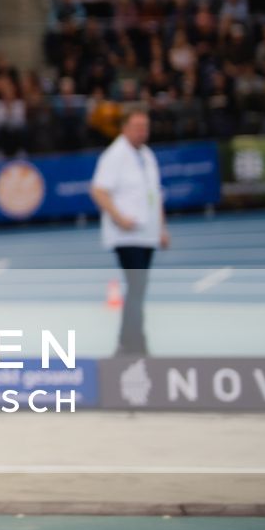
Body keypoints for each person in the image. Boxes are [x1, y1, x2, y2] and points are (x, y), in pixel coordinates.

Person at [89, 110, 168, 356]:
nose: (142, 131)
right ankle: (134, 344)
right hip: (127, 235)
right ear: (124, 128)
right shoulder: (115, 155)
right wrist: (120, 218)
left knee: (138, 289)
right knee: (137, 285)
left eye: (145, 126)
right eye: (137, 127)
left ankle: (129, 341)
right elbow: (99, 191)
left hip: (147, 233)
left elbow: (154, 194)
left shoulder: (147, 155)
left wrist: (162, 227)